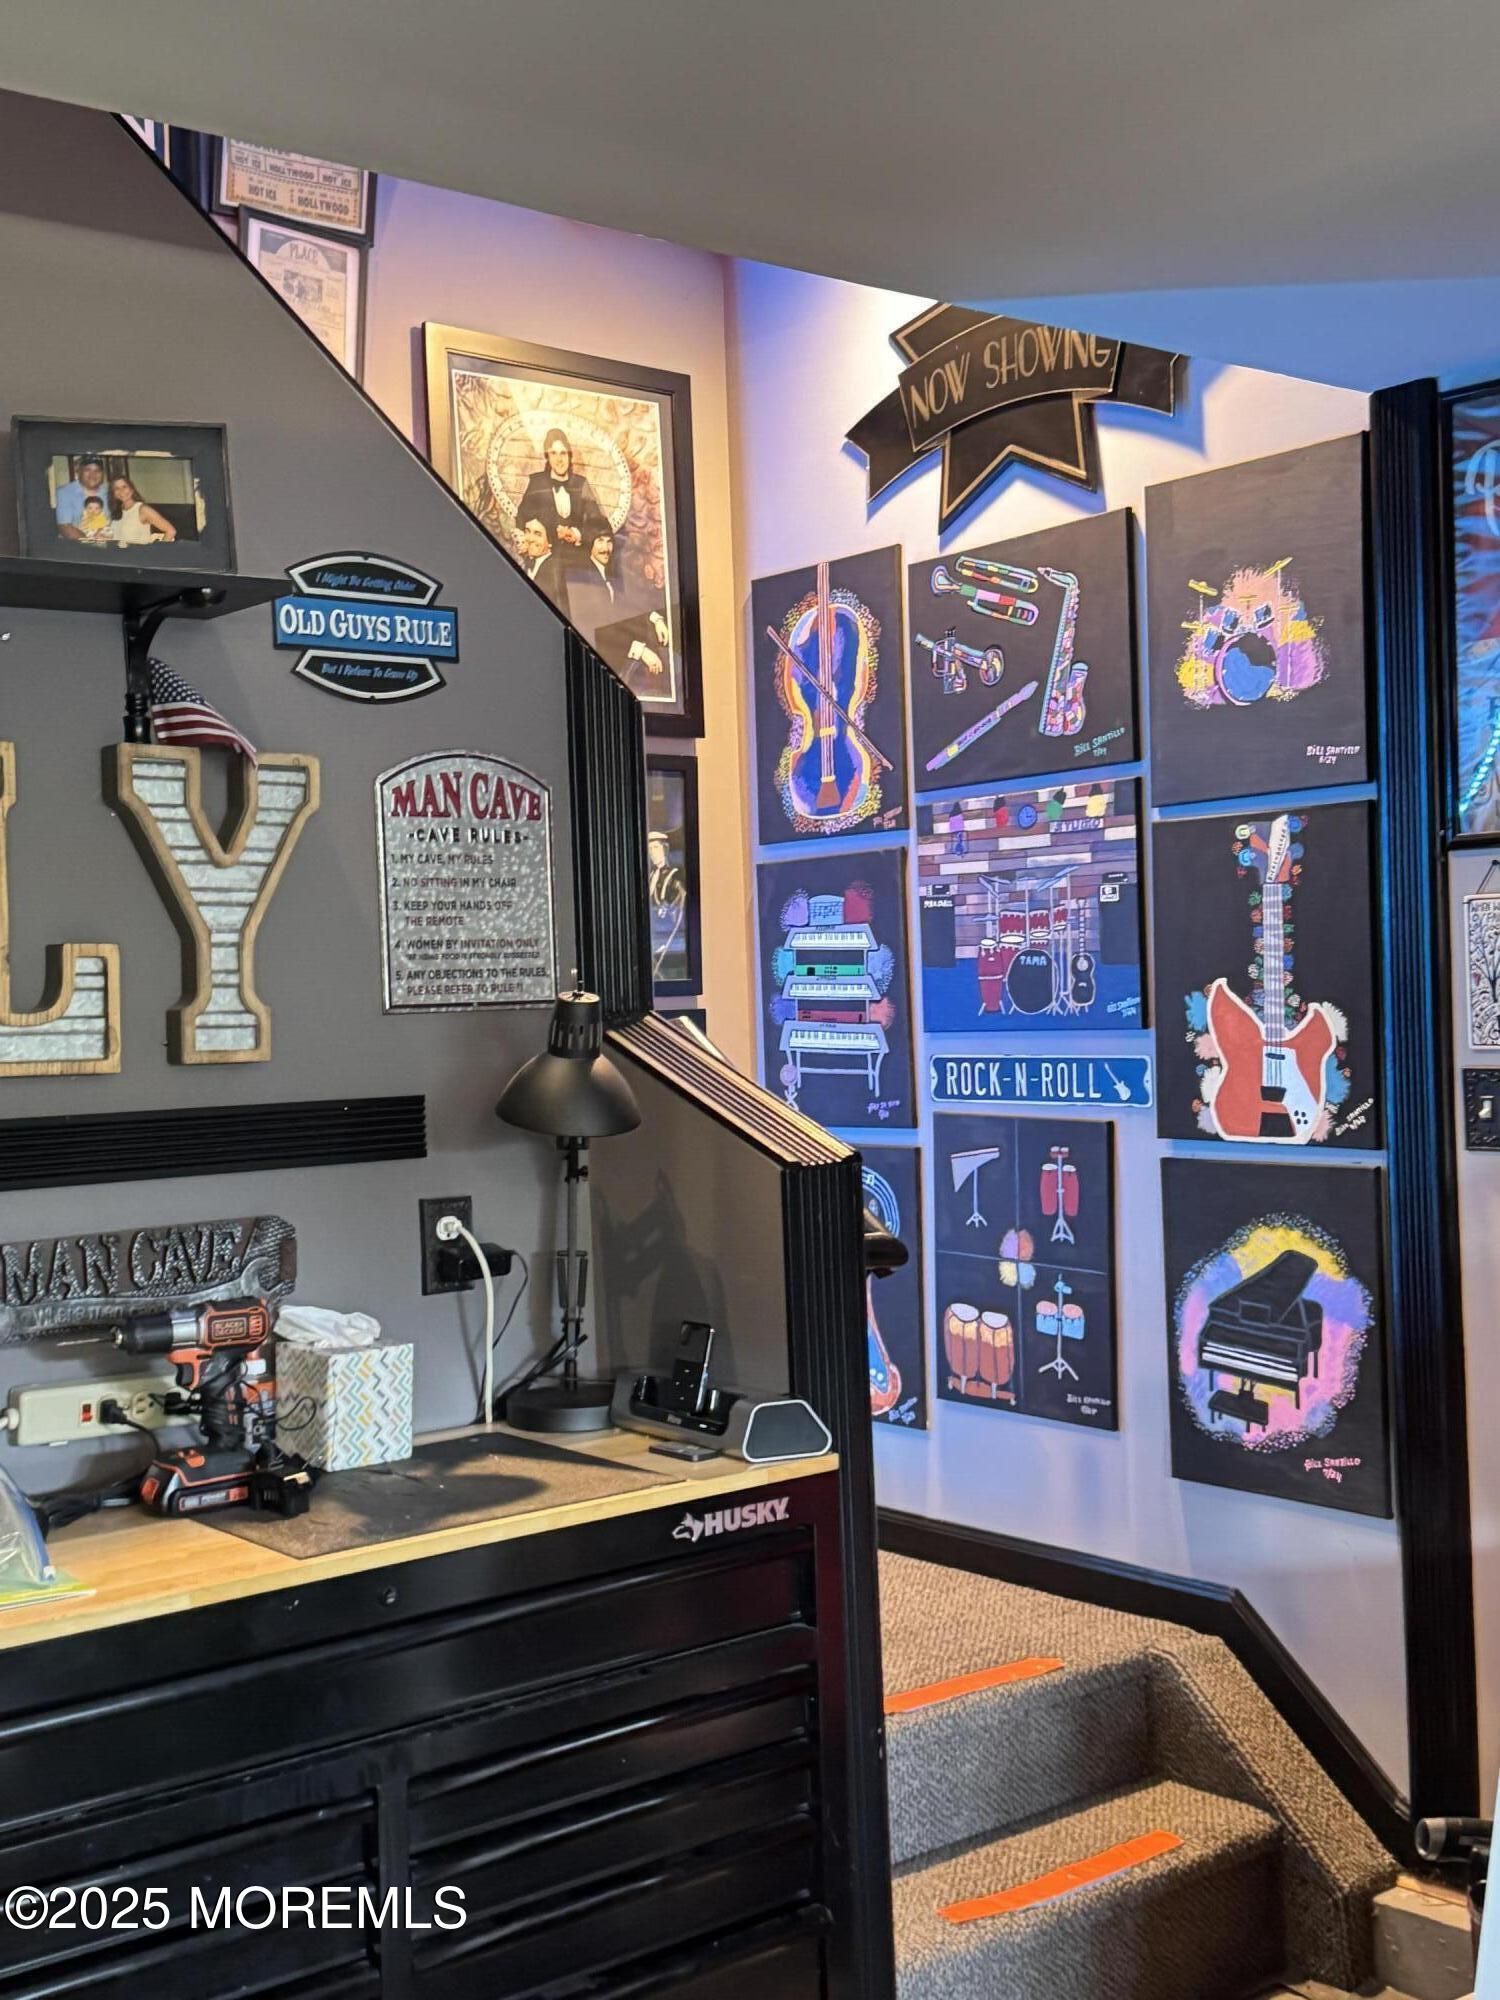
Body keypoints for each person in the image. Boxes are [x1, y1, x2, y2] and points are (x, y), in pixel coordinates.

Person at [517, 429, 605, 576]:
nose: (559, 459)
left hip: (577, 565)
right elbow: (522, 518)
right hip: (544, 564)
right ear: (548, 457)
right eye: (553, 453)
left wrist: (576, 534)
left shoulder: (581, 484)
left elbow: (598, 524)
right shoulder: (537, 483)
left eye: (563, 453)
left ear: (570, 456)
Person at [108, 474, 176, 545]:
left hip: (138, 552)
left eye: (124, 487)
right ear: (113, 493)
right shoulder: (116, 511)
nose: (121, 491)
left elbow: (171, 531)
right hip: (116, 551)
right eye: (116, 488)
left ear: (132, 489)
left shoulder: (143, 510)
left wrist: (158, 550)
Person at [54, 455, 109, 540]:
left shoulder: (109, 493)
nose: (93, 474)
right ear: (79, 471)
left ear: (102, 474)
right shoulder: (64, 493)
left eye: (97, 470)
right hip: (75, 546)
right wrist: (91, 543)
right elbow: (65, 527)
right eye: (87, 470)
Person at [517, 515, 561, 604]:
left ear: (550, 541)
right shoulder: (522, 561)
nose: (530, 539)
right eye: (527, 531)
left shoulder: (555, 571)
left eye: (537, 534)